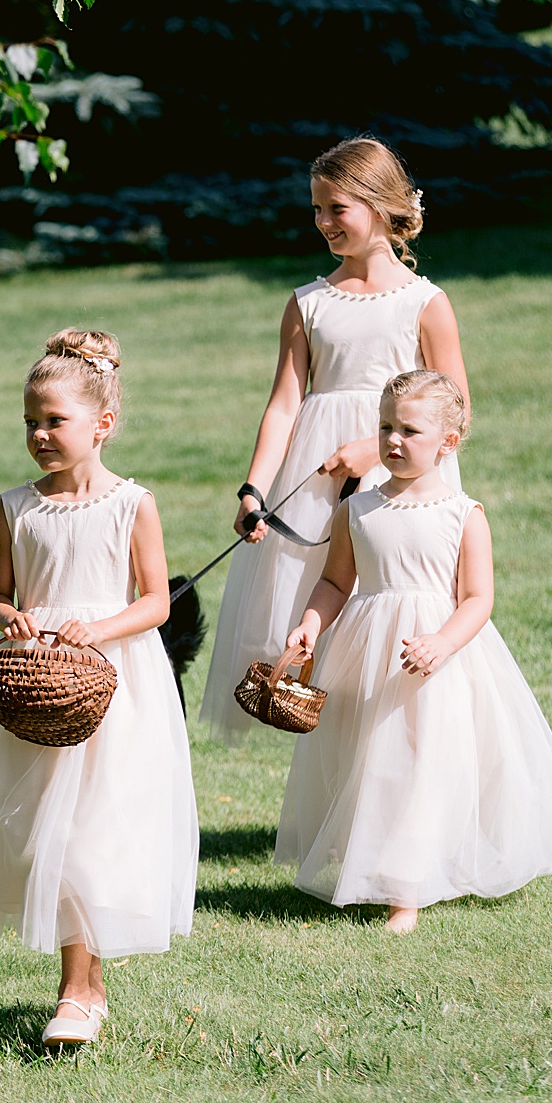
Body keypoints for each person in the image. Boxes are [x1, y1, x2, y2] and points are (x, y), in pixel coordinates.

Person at [0, 329, 198, 1046]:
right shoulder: (16, 506)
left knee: (93, 835)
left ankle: (77, 991)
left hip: (113, 682)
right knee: (42, 836)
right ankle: (87, 984)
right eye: (31, 422)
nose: (40, 434)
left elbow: (157, 602)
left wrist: (99, 631)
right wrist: (14, 620)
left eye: (55, 421)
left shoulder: (133, 504)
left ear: (102, 424)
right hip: (38, 684)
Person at [276, 369, 552, 931]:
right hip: (366, 652)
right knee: (366, 758)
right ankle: (362, 861)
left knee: (419, 764)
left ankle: (407, 892)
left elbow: (476, 598)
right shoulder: (357, 509)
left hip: (436, 658)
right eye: (385, 427)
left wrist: (442, 642)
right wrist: (310, 624)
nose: (393, 441)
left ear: (447, 441)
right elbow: (334, 582)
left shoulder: (463, 515)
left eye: (410, 431)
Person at [199, 136, 469, 740]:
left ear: (379, 207)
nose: (323, 222)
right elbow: (284, 403)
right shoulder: (309, 304)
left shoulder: (425, 304)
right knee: (320, 617)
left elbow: (458, 406)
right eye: (316, 209)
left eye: (336, 208)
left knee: (395, 608)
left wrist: (373, 450)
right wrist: (254, 490)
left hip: (405, 473)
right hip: (318, 483)